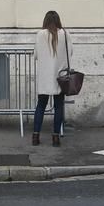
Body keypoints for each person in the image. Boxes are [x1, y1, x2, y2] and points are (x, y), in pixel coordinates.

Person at [32, 10, 68, 146]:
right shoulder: (65, 34)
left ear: (45, 21)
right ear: (58, 20)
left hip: (45, 77)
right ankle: (55, 137)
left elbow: (36, 55)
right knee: (59, 107)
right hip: (60, 77)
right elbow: (70, 52)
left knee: (40, 106)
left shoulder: (40, 34)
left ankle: (35, 137)